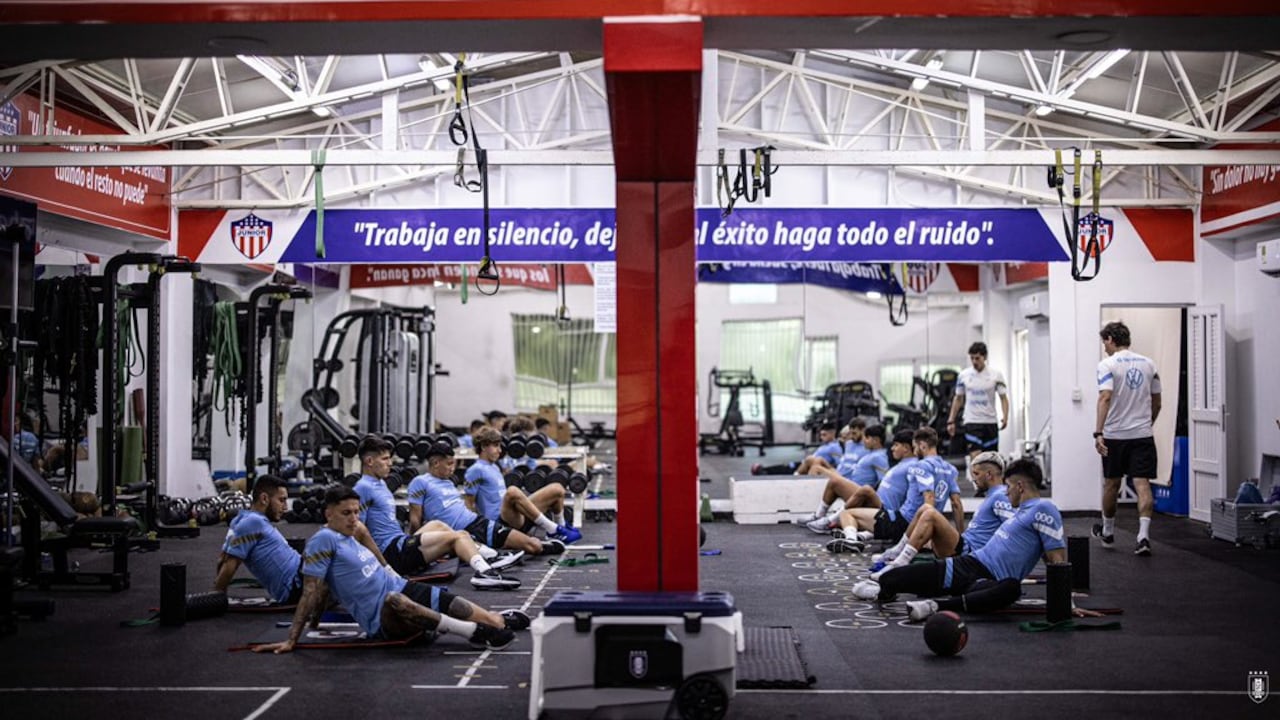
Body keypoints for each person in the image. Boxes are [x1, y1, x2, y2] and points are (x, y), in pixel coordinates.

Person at [253, 487, 524, 654]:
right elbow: (313, 589)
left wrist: (391, 571)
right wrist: (293, 639)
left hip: (400, 587)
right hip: (384, 618)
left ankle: (495, 620)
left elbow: (370, 555)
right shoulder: (321, 543)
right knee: (396, 600)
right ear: (328, 515)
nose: (354, 518)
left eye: (356, 512)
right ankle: (473, 634)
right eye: (346, 513)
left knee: (471, 610)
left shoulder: (354, 531)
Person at [852, 459, 1100, 622]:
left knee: (1011, 588)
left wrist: (1067, 603)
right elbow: (1048, 555)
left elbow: (1057, 560)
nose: (1006, 492)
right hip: (969, 565)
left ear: (1021, 487)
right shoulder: (1022, 511)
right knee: (892, 579)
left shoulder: (1044, 509)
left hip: (990, 580)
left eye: (1009, 487)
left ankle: (936, 606)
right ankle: (882, 589)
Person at [351, 435, 522, 591]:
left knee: (439, 525)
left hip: (399, 543)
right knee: (458, 536)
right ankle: (485, 572)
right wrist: (380, 567)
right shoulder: (363, 487)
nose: (390, 463)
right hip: (391, 554)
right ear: (370, 461)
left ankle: (490, 555)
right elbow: (358, 531)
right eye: (385, 459)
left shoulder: (380, 484)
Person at [214, 474, 387, 603]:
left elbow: (222, 558)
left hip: (302, 570)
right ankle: (386, 574)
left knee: (347, 536)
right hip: (297, 585)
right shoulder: (251, 523)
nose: (285, 507)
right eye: (281, 500)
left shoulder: (242, 519)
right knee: (356, 529)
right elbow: (230, 564)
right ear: (264, 499)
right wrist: (217, 599)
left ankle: (382, 578)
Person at [408, 443, 580, 557]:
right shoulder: (420, 482)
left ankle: (555, 531)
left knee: (557, 489)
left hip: (480, 523)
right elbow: (415, 519)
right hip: (474, 527)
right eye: (449, 464)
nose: (453, 468)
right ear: (436, 463)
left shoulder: (449, 482)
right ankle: (543, 537)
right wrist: (411, 546)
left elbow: (465, 508)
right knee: (532, 546)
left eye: (453, 464)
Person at [870, 451, 1011, 577]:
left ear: (989, 475)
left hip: (970, 554)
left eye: (976, 474)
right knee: (925, 509)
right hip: (964, 545)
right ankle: (898, 552)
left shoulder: (1000, 496)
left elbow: (1014, 528)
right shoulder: (994, 495)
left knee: (930, 513)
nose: (974, 479)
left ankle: (900, 561)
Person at [1092, 320, 1162, 557]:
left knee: (1112, 483)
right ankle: (1143, 536)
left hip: (1115, 435)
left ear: (1111, 339)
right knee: (1142, 484)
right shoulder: (1149, 364)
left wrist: (1098, 432)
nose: (1104, 347)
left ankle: (1109, 531)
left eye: (1105, 342)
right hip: (1142, 434)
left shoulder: (1107, 364)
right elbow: (1157, 402)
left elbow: (1105, 397)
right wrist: (1146, 424)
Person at [824, 429, 918, 552]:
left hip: (889, 513)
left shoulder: (914, 466)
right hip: (883, 509)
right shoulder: (902, 464)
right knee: (852, 498)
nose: (892, 448)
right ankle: (858, 535)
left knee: (853, 505)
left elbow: (917, 496)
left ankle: (846, 535)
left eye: (896, 445)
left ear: (906, 448)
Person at [464, 427, 568, 526]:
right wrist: (477, 530)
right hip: (498, 522)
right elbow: (469, 504)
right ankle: (553, 529)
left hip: (514, 515)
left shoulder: (495, 467)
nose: (500, 450)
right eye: (496, 446)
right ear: (483, 446)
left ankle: (561, 528)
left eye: (500, 446)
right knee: (512, 491)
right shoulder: (475, 470)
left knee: (557, 488)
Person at [794, 425, 888, 533]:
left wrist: (872, 497)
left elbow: (883, 482)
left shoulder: (879, 457)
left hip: (864, 494)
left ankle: (823, 518)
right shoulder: (870, 454)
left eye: (866, 438)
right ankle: (821, 516)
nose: (864, 441)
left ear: (876, 440)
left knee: (835, 481)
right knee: (828, 475)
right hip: (855, 486)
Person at [946, 342, 1009, 495]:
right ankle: (980, 489)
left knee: (991, 460)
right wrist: (951, 420)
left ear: (985, 357)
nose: (974, 361)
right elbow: (958, 399)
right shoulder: (964, 375)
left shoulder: (996, 375)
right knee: (977, 459)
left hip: (990, 421)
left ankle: (994, 489)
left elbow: (1003, 398)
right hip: (972, 421)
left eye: (977, 358)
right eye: (972, 358)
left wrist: (1005, 417)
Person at [752, 422, 841, 475]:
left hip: (810, 467)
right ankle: (764, 470)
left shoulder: (835, 448)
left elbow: (838, 466)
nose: (822, 437)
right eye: (821, 435)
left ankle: (793, 478)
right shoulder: (825, 445)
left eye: (824, 435)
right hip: (803, 464)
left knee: (788, 469)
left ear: (833, 434)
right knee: (785, 466)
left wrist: (823, 468)